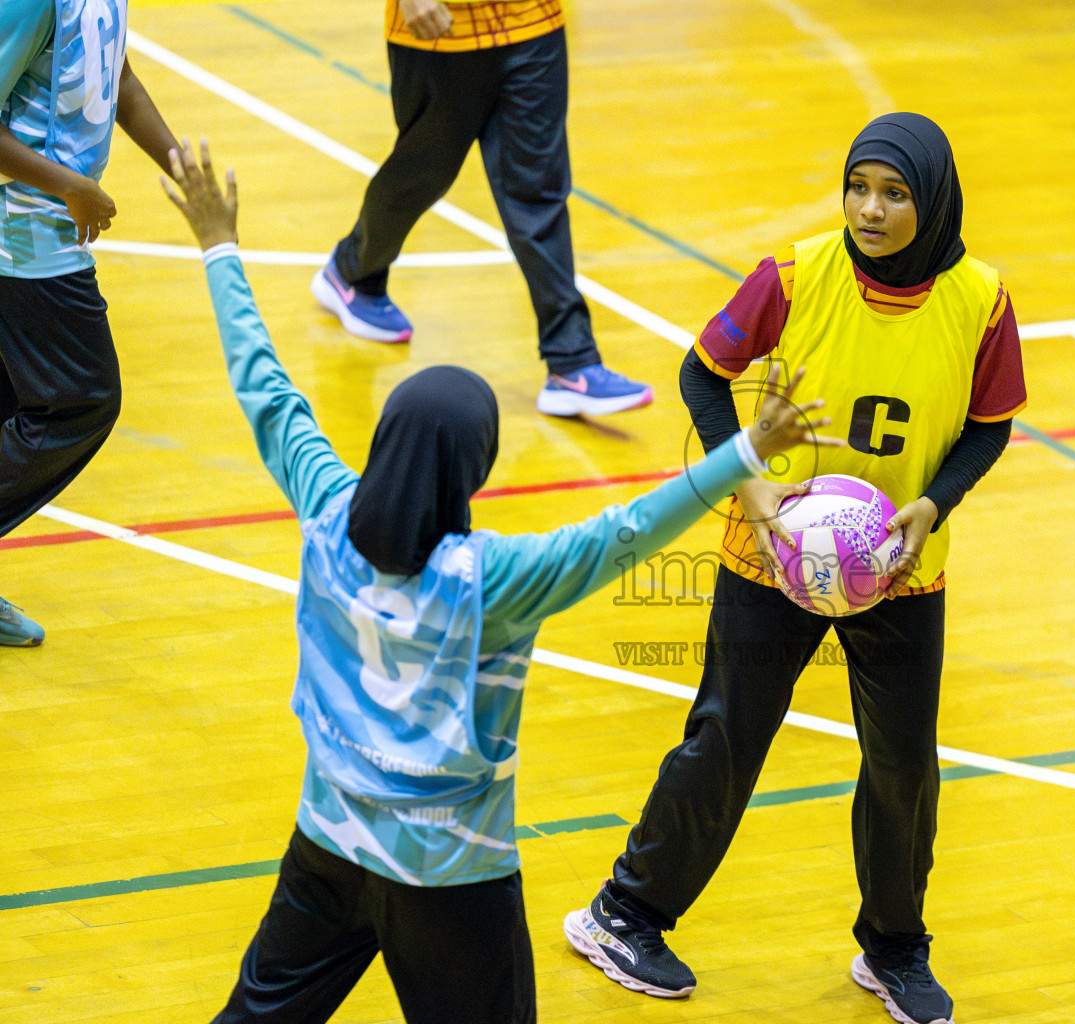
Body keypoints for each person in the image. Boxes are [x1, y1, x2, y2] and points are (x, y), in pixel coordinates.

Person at [160, 141, 835, 1024]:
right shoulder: (495, 581)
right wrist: (746, 450)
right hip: (451, 878)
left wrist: (218, 244)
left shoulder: (325, 511)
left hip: (328, 843)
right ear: (471, 471)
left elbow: (268, 392)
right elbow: (625, 533)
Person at [563, 112, 1028, 1024]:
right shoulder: (796, 275)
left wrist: (933, 505)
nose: (870, 209)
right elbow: (702, 373)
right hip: (775, 552)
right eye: (859, 188)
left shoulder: (981, 300)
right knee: (727, 739)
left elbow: (989, 426)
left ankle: (894, 947)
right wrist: (748, 483)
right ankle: (624, 914)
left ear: (934, 203)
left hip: (900, 565)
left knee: (904, 766)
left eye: (894, 194)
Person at [309, 0, 652, 418]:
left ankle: (572, 362)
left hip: (534, 22)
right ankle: (352, 271)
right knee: (422, 176)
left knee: (539, 192)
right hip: (441, 30)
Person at [0, 0, 181, 646]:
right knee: (81, 400)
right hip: (21, 239)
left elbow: (119, 76)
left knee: (10, 403)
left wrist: (179, 163)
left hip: (38, 236)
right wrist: (71, 187)